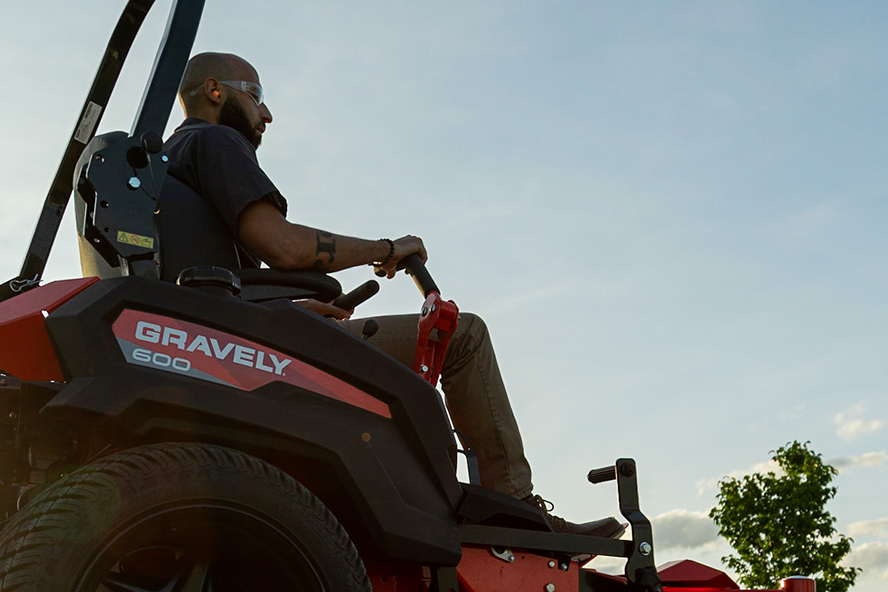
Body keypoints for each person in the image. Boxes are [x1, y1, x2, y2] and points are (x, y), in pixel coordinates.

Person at [159, 50, 620, 537]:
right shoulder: (214, 142)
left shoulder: (171, 158)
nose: (266, 114)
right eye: (256, 97)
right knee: (463, 335)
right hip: (251, 346)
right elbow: (286, 247)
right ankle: (517, 510)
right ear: (215, 91)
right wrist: (388, 249)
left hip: (232, 333)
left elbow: (209, 277)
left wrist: (285, 307)